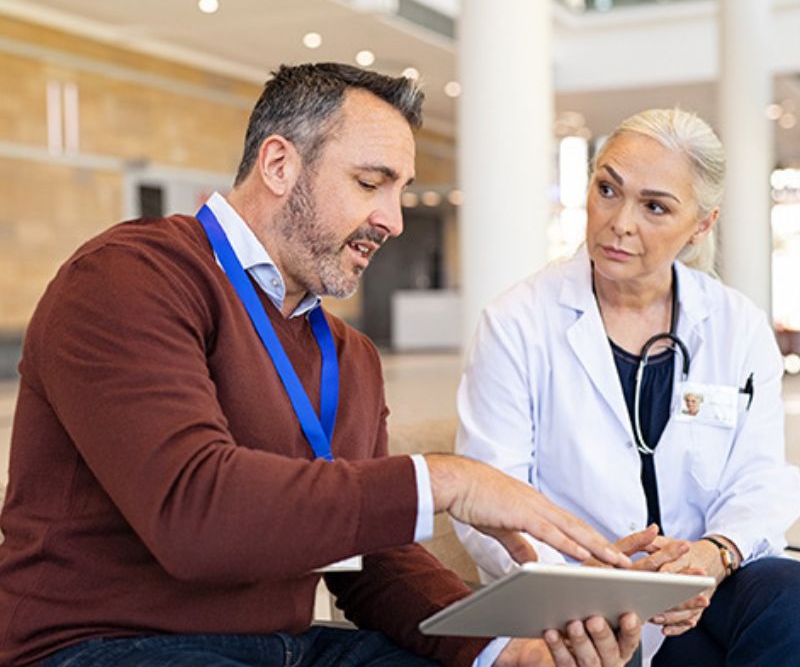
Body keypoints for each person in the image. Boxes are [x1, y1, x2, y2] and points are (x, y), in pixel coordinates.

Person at [0, 63, 640, 667]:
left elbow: (371, 556)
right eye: (370, 183)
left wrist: (501, 651)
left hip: (281, 645)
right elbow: (192, 513)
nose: (390, 219)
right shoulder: (131, 277)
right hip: (99, 643)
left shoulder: (349, 355)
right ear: (279, 163)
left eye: (399, 191)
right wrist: (448, 480)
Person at [455, 108, 800, 666]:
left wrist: (713, 554)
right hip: (575, 605)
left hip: (701, 596)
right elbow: (490, 501)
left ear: (701, 226)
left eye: (655, 206)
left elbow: (760, 477)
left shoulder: (735, 324)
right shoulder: (518, 321)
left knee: (790, 596)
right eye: (608, 189)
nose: (619, 222)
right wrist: (596, 583)